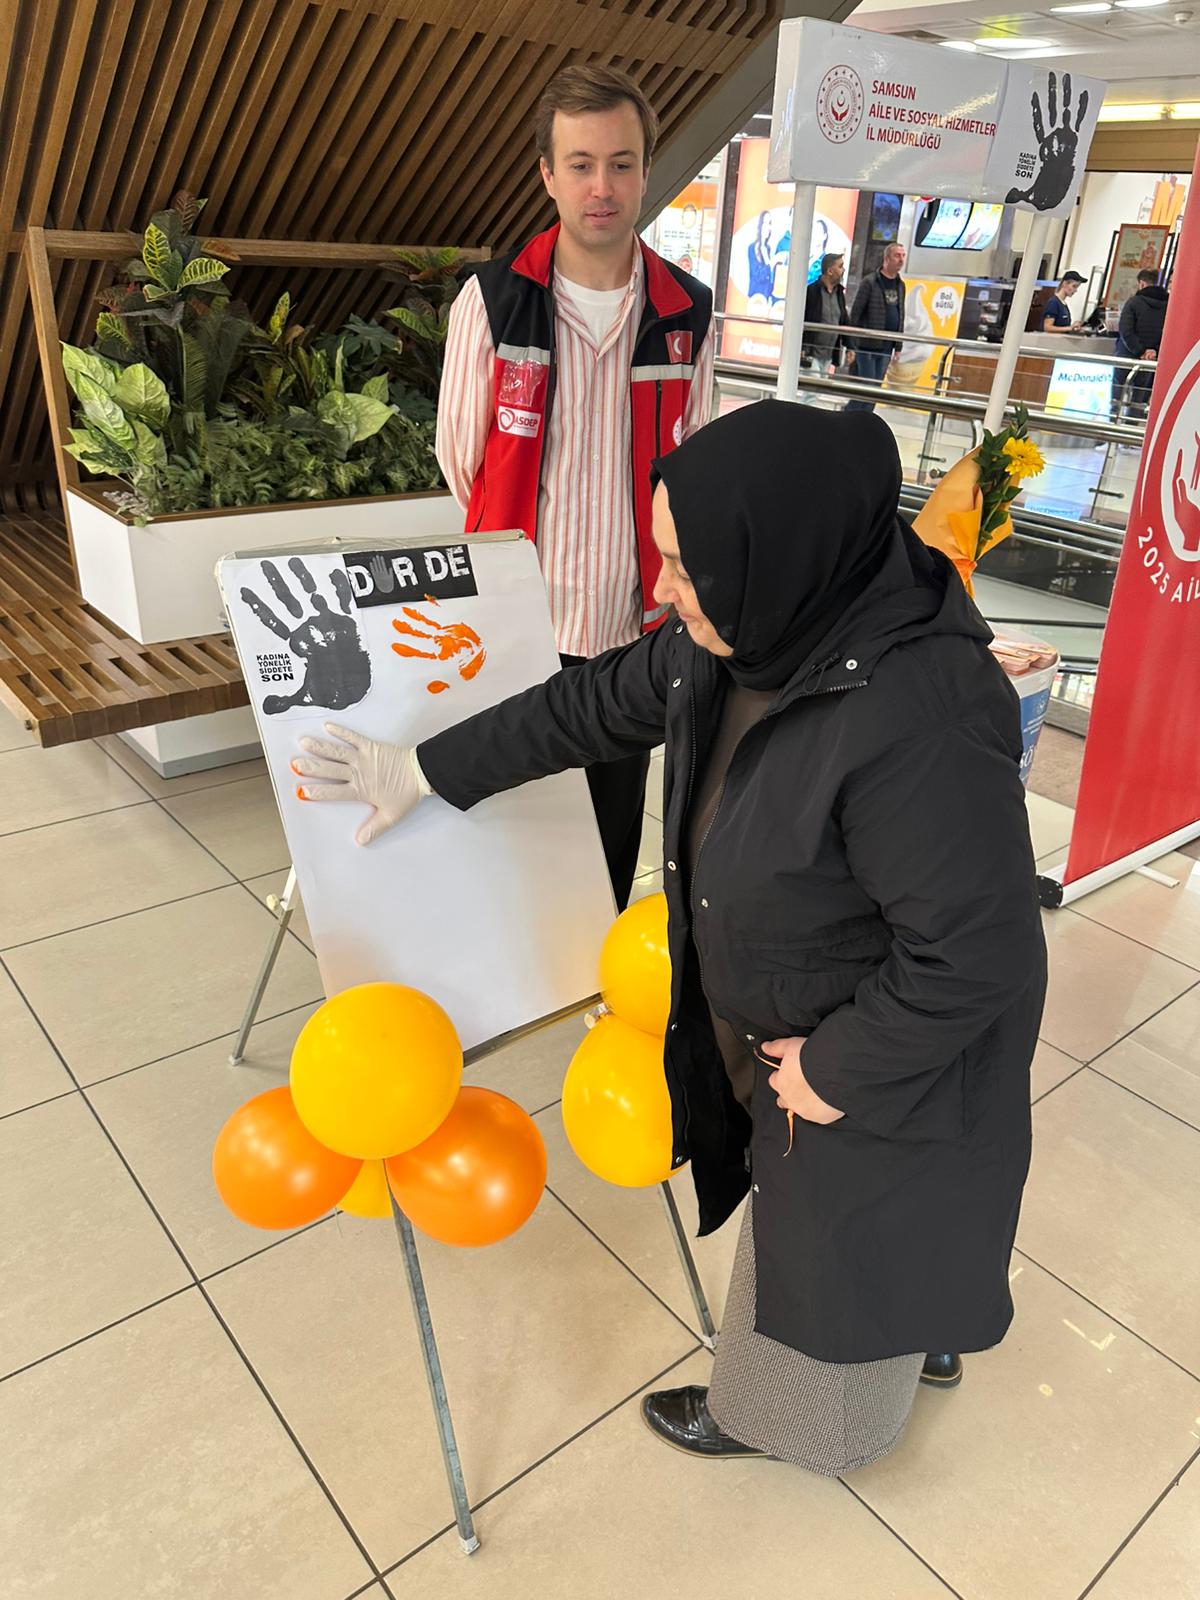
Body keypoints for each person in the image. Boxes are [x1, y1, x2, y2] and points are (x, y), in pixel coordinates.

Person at [291, 401, 1047, 1475]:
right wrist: (423, 769)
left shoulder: (919, 715)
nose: (662, 589)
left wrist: (839, 1066)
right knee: (885, 1237)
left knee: (835, 1240)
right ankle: (911, 1331)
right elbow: (585, 707)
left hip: (876, 1048)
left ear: (772, 559)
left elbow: (978, 953)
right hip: (812, 1010)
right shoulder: (752, 630)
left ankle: (778, 1417)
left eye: (687, 567)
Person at [435, 64, 714, 911]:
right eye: (582, 164)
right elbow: (462, 460)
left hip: (635, 631)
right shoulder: (494, 302)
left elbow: (694, 466)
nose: (603, 186)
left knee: (609, 837)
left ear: (646, 171)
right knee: (514, 827)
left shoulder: (685, 313)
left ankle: (598, 965)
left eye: (621, 163)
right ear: (548, 175)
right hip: (519, 624)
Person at [846, 244, 906, 412]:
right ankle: (849, 418)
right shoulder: (870, 282)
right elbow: (856, 313)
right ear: (886, 259)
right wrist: (851, 344)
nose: (901, 259)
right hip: (867, 346)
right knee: (865, 389)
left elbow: (901, 314)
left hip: (886, 347)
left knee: (875, 392)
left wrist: (898, 346)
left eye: (903, 255)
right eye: (897, 255)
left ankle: (865, 422)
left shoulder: (900, 285)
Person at [1115, 269, 1169, 420]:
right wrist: (1153, 351)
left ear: (1142, 283)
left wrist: (1140, 350)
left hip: (1127, 355)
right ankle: (1131, 427)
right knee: (1139, 397)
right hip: (1150, 359)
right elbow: (1169, 332)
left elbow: (1126, 330)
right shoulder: (1169, 305)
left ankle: (1112, 425)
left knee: (1118, 394)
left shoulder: (1133, 302)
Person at [802, 251, 852, 378]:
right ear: (830, 271)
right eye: (840, 267)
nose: (843, 270)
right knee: (812, 388)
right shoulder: (812, 292)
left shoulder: (839, 294)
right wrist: (802, 348)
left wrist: (850, 346)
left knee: (820, 386)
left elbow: (843, 321)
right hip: (811, 353)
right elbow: (802, 320)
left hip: (828, 355)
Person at [746, 211, 775, 307]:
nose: (768, 227)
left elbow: (768, 277)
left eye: (770, 223)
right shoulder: (752, 248)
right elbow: (757, 275)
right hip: (755, 298)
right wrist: (770, 264)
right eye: (765, 223)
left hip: (766, 297)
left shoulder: (768, 248)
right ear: (760, 225)